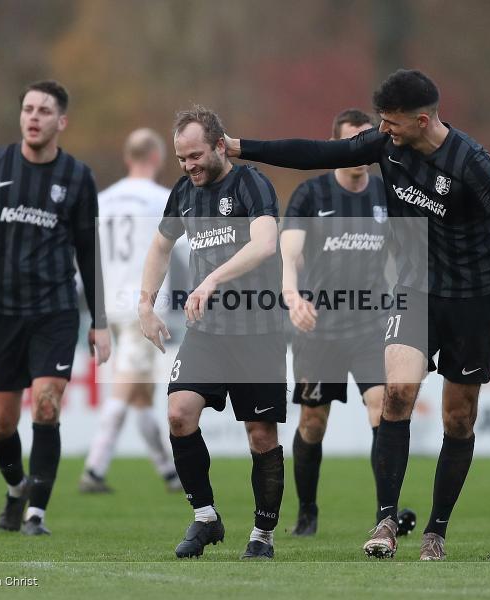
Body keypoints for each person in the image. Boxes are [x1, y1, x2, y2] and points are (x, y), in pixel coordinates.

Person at [226, 69, 490, 561]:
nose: (385, 130)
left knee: (457, 419)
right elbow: (317, 153)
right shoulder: (385, 144)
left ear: (422, 120)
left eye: (393, 122)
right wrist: (239, 146)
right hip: (415, 290)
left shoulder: (470, 162)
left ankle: (436, 532)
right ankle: (385, 521)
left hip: (471, 300)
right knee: (397, 394)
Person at [0, 80, 111, 536]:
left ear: (61, 121)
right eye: (27, 109)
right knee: (1, 423)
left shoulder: (78, 177)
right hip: (0, 311)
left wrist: (99, 322)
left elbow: (88, 250)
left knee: (45, 405)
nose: (33, 117)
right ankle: (17, 489)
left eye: (43, 110)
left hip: (54, 311)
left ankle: (36, 513)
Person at [138, 106, 286, 560]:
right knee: (179, 414)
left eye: (196, 156)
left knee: (260, 434)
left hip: (257, 328)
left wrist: (211, 279)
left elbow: (265, 243)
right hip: (208, 331)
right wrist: (145, 302)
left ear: (220, 145)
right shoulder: (184, 191)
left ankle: (262, 535)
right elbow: (161, 246)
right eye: (182, 159)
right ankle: (205, 518)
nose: (189, 167)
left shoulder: (251, 184)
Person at [281, 109, 391, 535]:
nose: (361, 151)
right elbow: (289, 254)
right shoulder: (311, 195)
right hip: (318, 330)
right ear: (336, 147)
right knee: (313, 421)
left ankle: (385, 515)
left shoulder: (387, 194)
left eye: (368, 141)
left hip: (370, 327)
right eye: (352, 142)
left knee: (383, 410)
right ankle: (307, 512)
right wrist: (292, 296)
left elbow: (405, 254)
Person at [79, 128, 181, 494]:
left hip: (109, 303)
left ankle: (169, 471)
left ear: (127, 158)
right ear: (156, 157)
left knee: (141, 395)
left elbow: (86, 253)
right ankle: (94, 468)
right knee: (124, 389)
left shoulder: (102, 199)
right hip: (144, 305)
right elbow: (181, 250)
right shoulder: (162, 198)